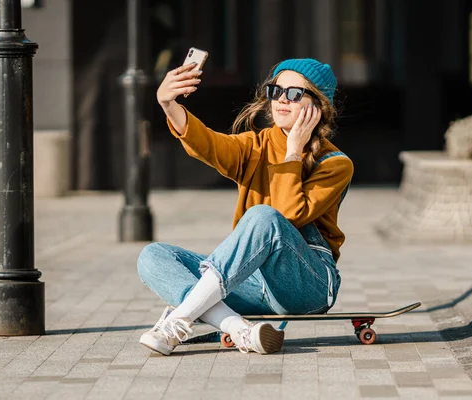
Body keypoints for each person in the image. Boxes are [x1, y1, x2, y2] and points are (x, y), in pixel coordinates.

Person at [137, 58, 353, 356]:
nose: (281, 100)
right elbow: (208, 144)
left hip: (308, 284)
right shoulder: (256, 145)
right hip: (253, 283)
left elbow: (288, 215)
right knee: (153, 255)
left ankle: (178, 320)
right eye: (275, 90)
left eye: (293, 93)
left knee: (264, 216)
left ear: (318, 106)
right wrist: (168, 104)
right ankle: (239, 329)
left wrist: (293, 152)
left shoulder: (336, 164)